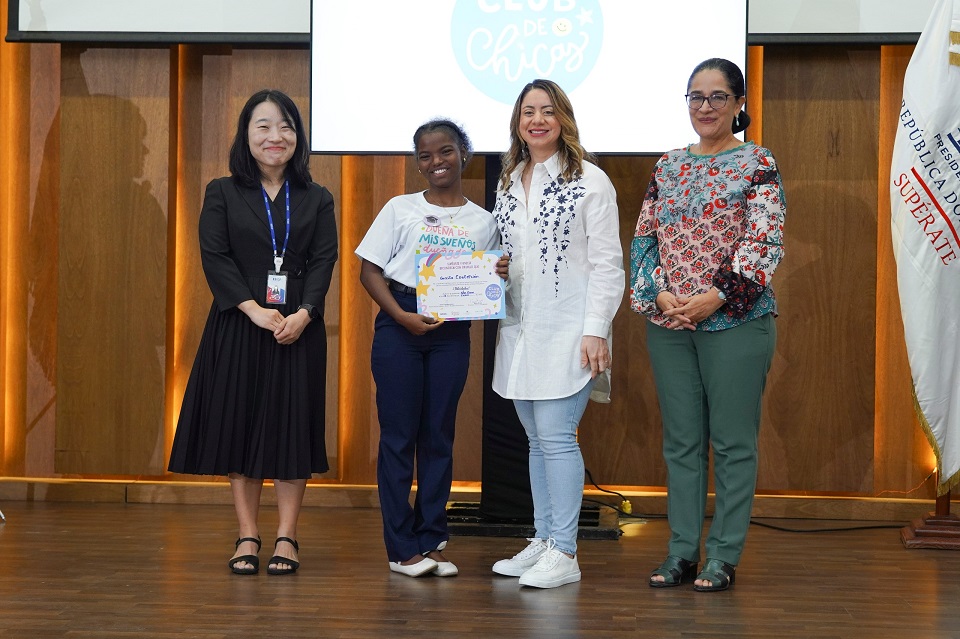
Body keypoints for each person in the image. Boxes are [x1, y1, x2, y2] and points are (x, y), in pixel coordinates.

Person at [168, 89, 338, 576]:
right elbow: (214, 256)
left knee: (291, 432)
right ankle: (248, 533)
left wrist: (305, 313)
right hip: (239, 326)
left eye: (285, 126)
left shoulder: (317, 197)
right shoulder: (222, 191)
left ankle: (287, 536)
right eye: (263, 126)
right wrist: (252, 309)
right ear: (246, 135)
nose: (275, 136)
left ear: (297, 137)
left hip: (298, 329)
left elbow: (324, 261)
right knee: (239, 429)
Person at [632, 58, 785, 592]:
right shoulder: (668, 166)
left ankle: (722, 555)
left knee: (733, 442)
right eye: (696, 96)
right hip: (670, 322)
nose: (705, 107)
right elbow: (644, 239)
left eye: (718, 97)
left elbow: (764, 243)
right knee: (681, 443)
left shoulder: (757, 163)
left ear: (739, 104)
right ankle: (681, 553)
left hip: (736, 321)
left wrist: (713, 298)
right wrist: (662, 292)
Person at [489, 79, 624, 589]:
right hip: (519, 331)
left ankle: (565, 552)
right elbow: (509, 254)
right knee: (535, 441)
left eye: (547, 111)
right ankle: (544, 540)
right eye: (529, 112)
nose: (537, 120)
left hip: (570, 331)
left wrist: (596, 331)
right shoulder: (508, 180)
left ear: (563, 118)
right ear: (518, 122)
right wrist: (495, 268)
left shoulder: (590, 181)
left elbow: (609, 264)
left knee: (558, 439)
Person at [356, 119, 503, 578]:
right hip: (400, 325)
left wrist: (496, 274)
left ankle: (431, 539)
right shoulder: (400, 208)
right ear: (417, 162)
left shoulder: (484, 220)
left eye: (445, 151)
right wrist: (400, 317)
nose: (436, 161)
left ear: (465, 154)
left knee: (439, 435)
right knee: (399, 438)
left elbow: (489, 279)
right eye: (425, 155)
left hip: (450, 332)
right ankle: (401, 549)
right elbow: (369, 272)